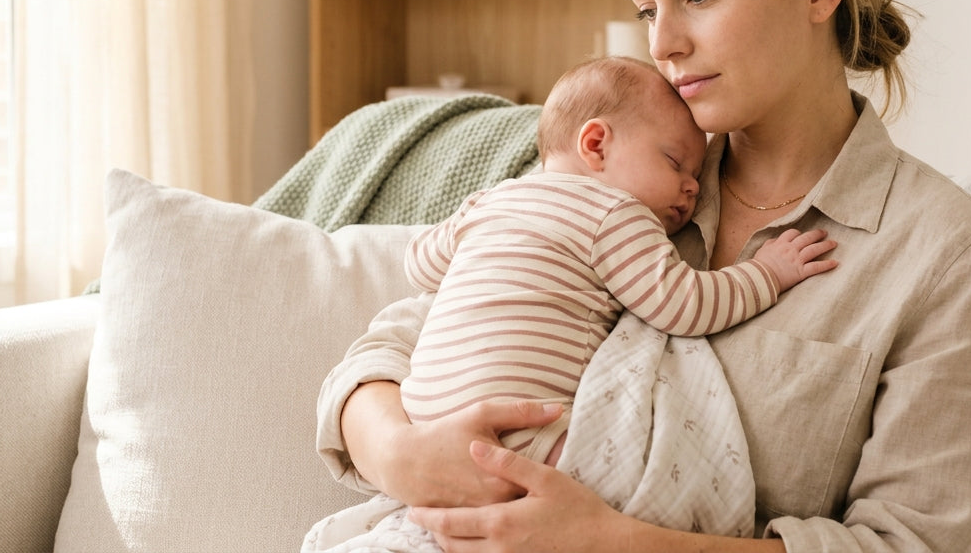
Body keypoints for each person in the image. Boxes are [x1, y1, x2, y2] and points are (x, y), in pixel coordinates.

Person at [316, 0, 971, 552]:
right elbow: (398, 343)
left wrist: (610, 542)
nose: (662, 45)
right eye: (647, 9)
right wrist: (399, 455)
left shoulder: (939, 254)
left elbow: (914, 545)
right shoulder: (615, 177)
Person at [303, 55, 838, 551]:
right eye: (675, 162)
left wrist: (473, 230)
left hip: (430, 430)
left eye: (695, 176)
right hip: (528, 438)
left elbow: (420, 265)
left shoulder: (492, 200)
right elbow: (684, 304)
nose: (690, 187)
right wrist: (766, 274)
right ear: (596, 144)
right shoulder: (616, 214)